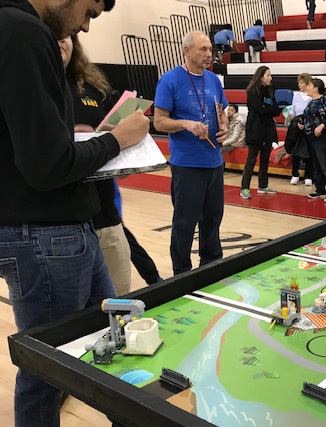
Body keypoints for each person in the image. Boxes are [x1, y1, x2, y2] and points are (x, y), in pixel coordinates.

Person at [0, 1, 149, 425]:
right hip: (48, 239)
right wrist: (117, 140)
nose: (84, 24)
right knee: (46, 374)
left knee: (111, 338)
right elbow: (49, 165)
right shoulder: (22, 31)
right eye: (89, 12)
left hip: (58, 234)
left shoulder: (20, 31)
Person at [154, 31, 229, 276]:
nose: (209, 54)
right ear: (187, 50)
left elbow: (223, 110)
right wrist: (185, 124)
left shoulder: (214, 80)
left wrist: (225, 125)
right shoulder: (170, 80)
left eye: (210, 49)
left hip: (214, 161)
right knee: (185, 223)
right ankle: (182, 273)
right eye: (203, 49)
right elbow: (159, 122)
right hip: (187, 165)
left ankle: (211, 266)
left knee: (213, 219)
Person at [62, 35, 131, 296]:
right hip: (61, 227)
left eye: (66, 35)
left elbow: (113, 138)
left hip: (107, 217)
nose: (61, 40)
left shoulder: (92, 87)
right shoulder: (34, 87)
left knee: (120, 303)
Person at [241, 66, 281, 199]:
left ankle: (263, 186)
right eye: (268, 75)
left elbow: (277, 110)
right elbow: (260, 109)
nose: (271, 78)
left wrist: (267, 108)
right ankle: (245, 188)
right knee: (251, 159)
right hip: (255, 128)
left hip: (268, 128)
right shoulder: (252, 91)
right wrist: (269, 109)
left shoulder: (270, 90)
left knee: (265, 159)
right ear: (261, 76)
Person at [299, 78, 326, 202]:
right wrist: (301, 124)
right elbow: (308, 117)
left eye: (309, 85)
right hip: (310, 137)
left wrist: (322, 126)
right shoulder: (311, 102)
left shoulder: (324, 100)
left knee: (325, 165)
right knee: (316, 166)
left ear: (316, 88)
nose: (307, 87)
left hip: (322, 138)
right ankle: (320, 189)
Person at [289, 73, 314, 186]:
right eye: (298, 83)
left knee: (309, 151)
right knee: (295, 151)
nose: (299, 85)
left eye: (302, 83)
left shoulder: (311, 97)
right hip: (297, 126)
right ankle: (295, 174)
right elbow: (293, 110)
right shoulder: (296, 96)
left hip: (308, 126)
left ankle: (308, 175)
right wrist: (290, 114)